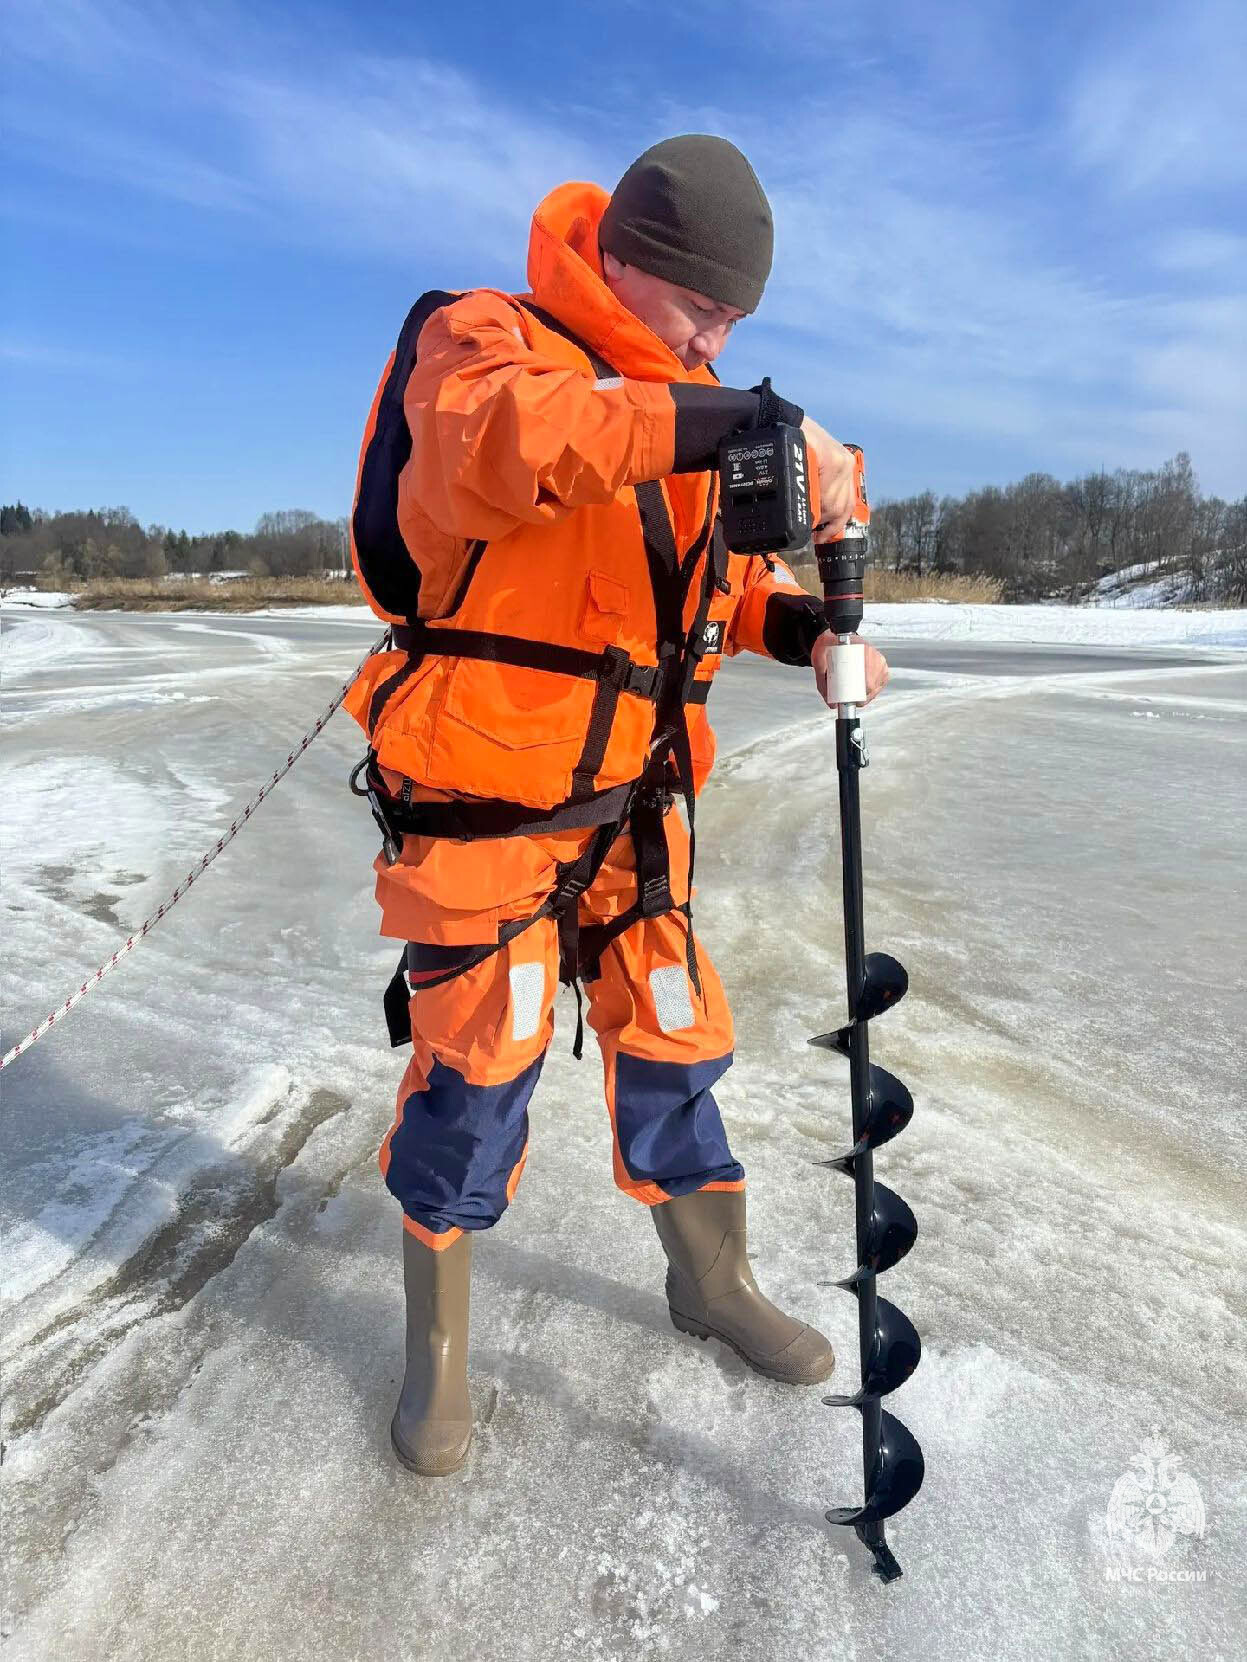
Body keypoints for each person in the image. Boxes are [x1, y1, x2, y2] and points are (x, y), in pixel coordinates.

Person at [344, 134, 890, 1476]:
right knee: (477, 1072)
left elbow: (711, 587)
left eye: (735, 322)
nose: (716, 338)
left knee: (673, 1041)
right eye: (703, 305)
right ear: (631, 258)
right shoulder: (486, 338)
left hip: (638, 810)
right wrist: (726, 418)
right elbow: (515, 444)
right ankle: (438, 1358)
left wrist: (803, 627)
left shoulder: (694, 408)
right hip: (491, 806)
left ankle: (712, 1281)